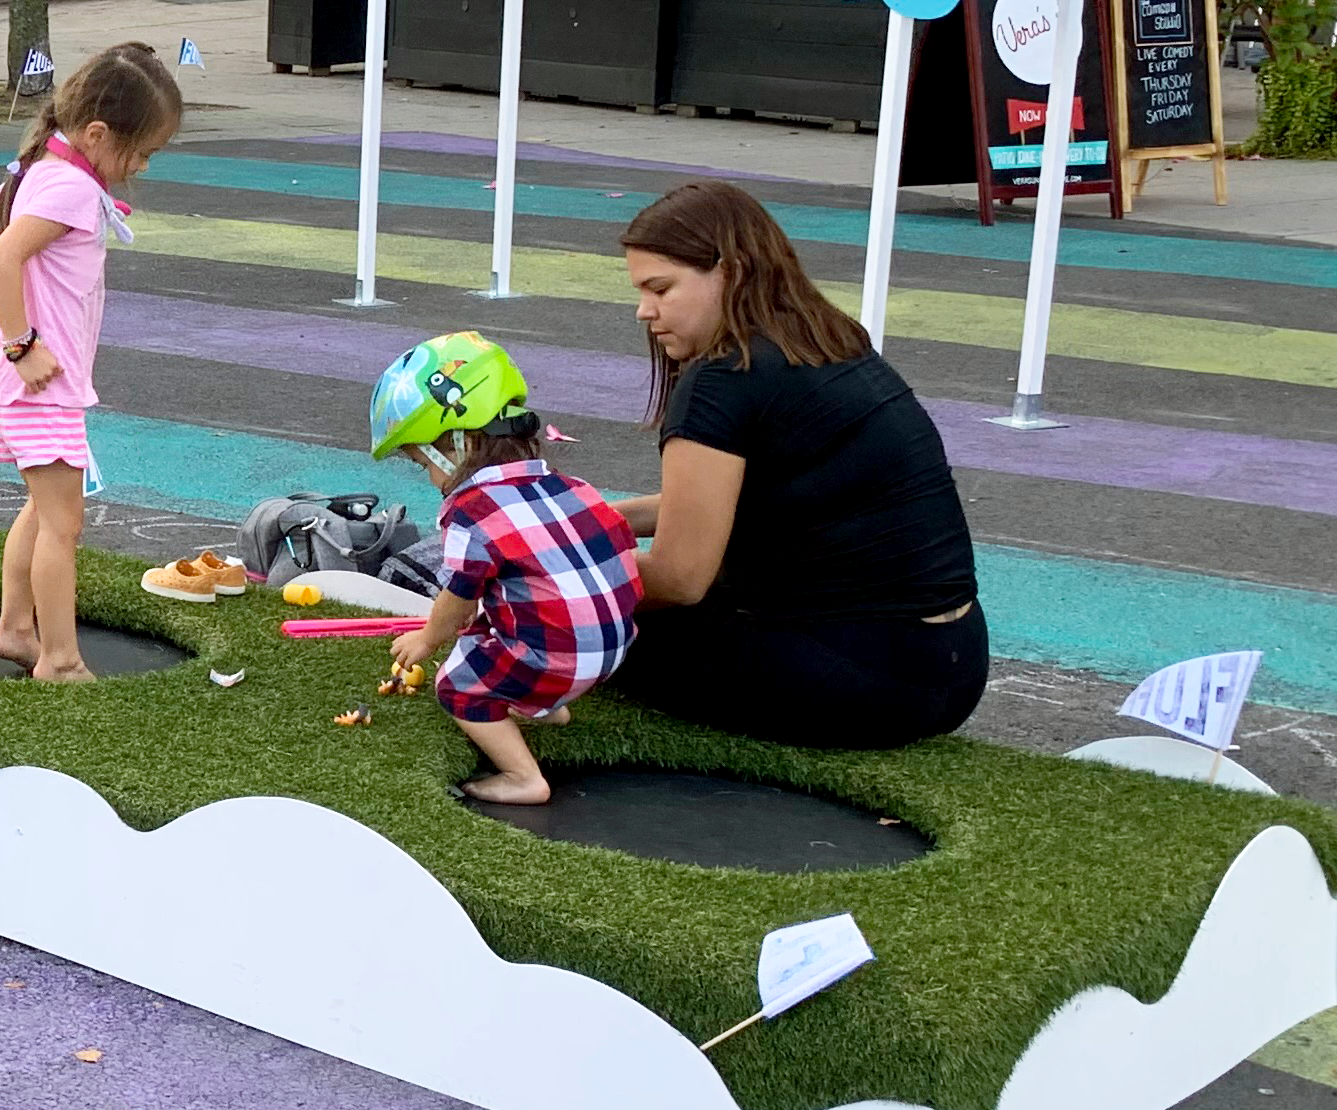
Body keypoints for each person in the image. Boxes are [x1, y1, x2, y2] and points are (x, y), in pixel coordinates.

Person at [607, 180, 986, 746]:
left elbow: (681, 580)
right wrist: (595, 520)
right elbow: (748, 502)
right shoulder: (828, 338)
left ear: (730, 271)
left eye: (660, 289)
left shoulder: (721, 379)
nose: (645, 311)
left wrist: (543, 570)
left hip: (864, 683)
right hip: (955, 668)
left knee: (569, 619)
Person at [0, 43, 186, 681]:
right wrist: (22, 346)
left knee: (41, 508)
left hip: (19, 386)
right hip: (37, 385)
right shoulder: (70, 190)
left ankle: (16, 627)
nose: (141, 165)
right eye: (142, 151)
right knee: (65, 523)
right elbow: (0, 262)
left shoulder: (29, 173)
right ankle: (59, 659)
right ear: (96, 133)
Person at [372, 335, 641, 806]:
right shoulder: (565, 485)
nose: (431, 479)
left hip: (562, 657)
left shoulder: (471, 511)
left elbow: (459, 598)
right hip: (615, 650)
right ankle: (546, 709)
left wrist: (426, 639)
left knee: (457, 683)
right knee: (492, 632)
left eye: (423, 464)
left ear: (458, 443)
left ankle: (523, 777)